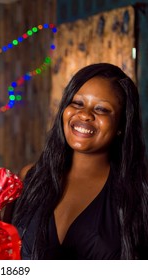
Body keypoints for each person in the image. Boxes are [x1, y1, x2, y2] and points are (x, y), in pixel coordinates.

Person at [10, 63, 148, 259]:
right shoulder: (29, 178)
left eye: (101, 109)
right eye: (77, 103)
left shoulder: (140, 191)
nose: (84, 115)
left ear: (122, 124)